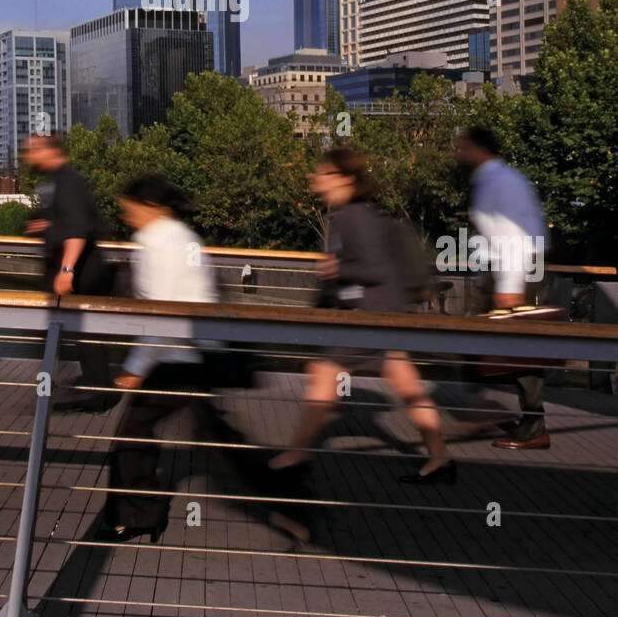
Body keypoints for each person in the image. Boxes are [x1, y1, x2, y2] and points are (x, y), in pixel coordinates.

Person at [266, 147, 453, 543]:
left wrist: (334, 268)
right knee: (406, 383)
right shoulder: (348, 215)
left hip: (369, 315)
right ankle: (439, 457)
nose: (316, 179)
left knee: (322, 374)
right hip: (379, 312)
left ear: (344, 178)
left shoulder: (353, 216)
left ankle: (297, 452)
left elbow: (370, 268)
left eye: (324, 173)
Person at [97, 174, 248, 544]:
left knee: (133, 435)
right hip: (196, 352)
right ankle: (282, 493)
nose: (126, 214)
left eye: (129, 208)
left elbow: (162, 314)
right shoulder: (180, 237)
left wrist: (135, 367)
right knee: (213, 438)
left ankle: (137, 516)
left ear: (152, 207)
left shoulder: (160, 243)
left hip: (181, 357)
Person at [455, 124, 550, 450]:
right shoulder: (488, 181)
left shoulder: (501, 182)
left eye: (464, 147)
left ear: (480, 150)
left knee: (520, 346)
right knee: (481, 340)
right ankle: (487, 414)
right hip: (503, 270)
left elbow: (516, 236)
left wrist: (510, 285)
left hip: (518, 269)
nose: (459, 153)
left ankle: (533, 426)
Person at [22, 132, 116, 409]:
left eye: (33, 150)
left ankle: (94, 396)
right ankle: (87, 391)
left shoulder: (67, 181)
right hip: (76, 267)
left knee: (81, 334)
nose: (28, 156)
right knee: (79, 333)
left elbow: (77, 229)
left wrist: (66, 270)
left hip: (79, 270)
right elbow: (68, 223)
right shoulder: (57, 181)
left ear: (50, 151)